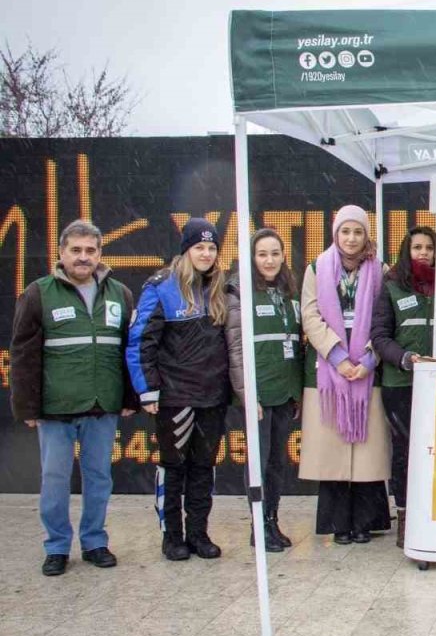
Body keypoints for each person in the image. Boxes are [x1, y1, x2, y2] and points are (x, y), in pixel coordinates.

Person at [10, 220, 137, 576]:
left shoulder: (120, 294)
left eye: (90, 251)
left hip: (103, 405)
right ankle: (57, 547)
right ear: (61, 253)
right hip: (56, 409)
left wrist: (129, 397)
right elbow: (22, 355)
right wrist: (27, 407)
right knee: (55, 479)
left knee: (99, 477)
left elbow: (128, 351)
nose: (83, 258)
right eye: (76, 250)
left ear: (100, 254)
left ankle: (95, 541)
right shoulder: (38, 293)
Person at [127, 218, 239, 562]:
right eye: (199, 247)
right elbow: (140, 341)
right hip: (175, 397)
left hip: (213, 396)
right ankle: (172, 536)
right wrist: (147, 390)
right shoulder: (160, 286)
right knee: (174, 467)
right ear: (186, 250)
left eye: (211, 248)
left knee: (204, 467)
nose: (206, 254)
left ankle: (199, 534)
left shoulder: (224, 287)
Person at [300, 206, 392, 545]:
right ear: (335, 234)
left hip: (369, 370)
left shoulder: (380, 270)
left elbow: (385, 318)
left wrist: (369, 359)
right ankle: (339, 523)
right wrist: (338, 357)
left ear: (366, 235)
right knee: (334, 450)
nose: (351, 239)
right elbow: (310, 316)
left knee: (367, 451)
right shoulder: (316, 268)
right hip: (329, 373)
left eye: (357, 232)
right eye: (345, 232)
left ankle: (365, 522)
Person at [370, 226, 436, 547]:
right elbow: (379, 336)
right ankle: (405, 517)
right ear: (407, 250)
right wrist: (404, 358)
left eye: (429, 247)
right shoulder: (391, 287)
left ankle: (434, 514)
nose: (423, 253)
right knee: (405, 452)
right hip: (401, 383)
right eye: (417, 247)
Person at [236, 228, 303, 553]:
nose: (269, 260)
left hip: (285, 391)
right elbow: (235, 349)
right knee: (258, 462)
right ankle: (257, 524)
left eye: (275, 253)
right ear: (252, 257)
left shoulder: (290, 292)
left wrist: (299, 392)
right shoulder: (241, 293)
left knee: (277, 462)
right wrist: (248, 393)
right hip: (259, 394)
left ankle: (272, 520)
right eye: (262, 254)